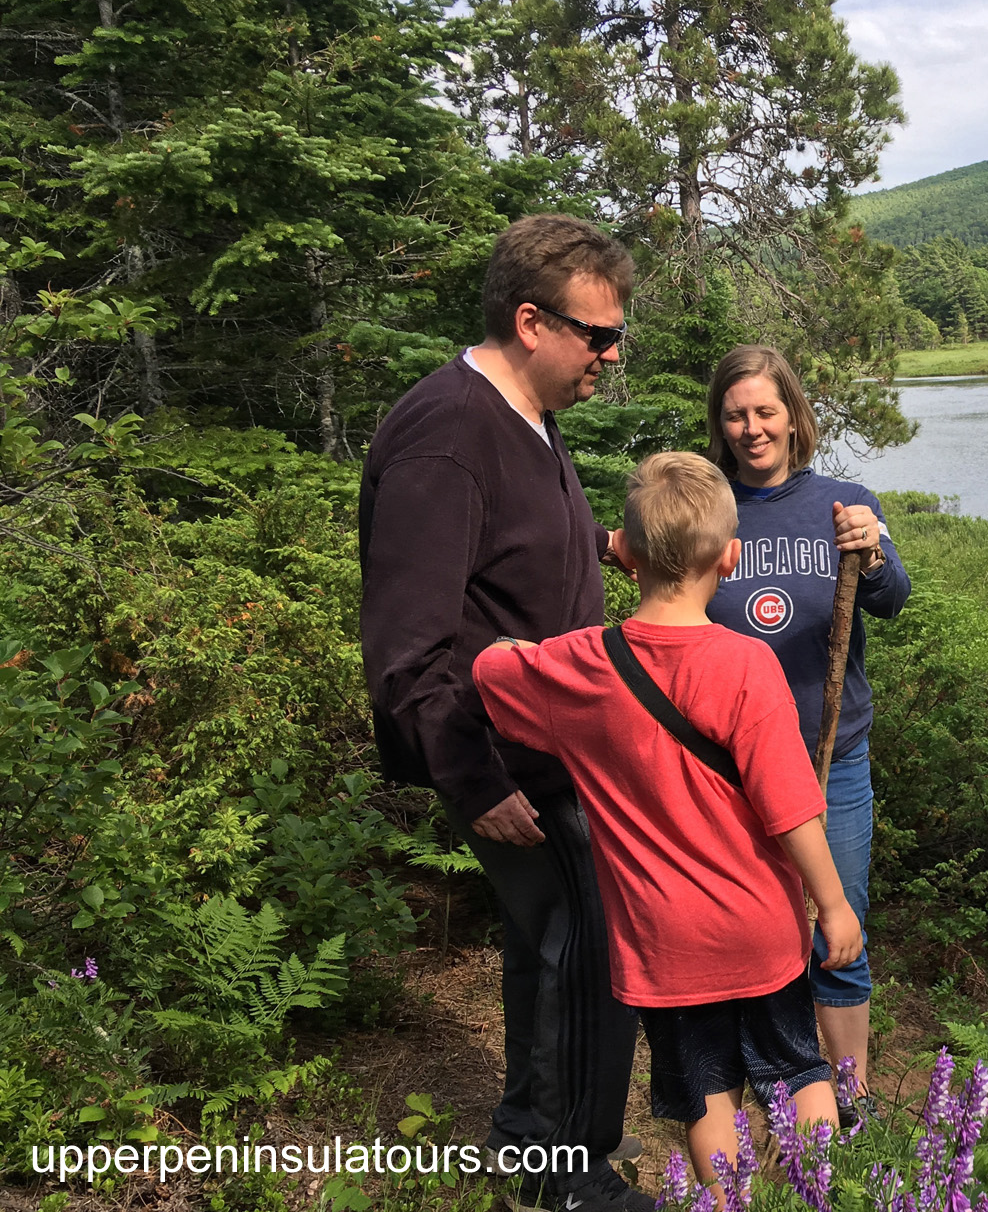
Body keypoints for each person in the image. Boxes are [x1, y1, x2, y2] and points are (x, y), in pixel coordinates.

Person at [358, 214, 650, 1212]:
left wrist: (615, 546)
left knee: (544, 950)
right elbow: (411, 636)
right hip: (515, 760)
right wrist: (473, 776)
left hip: (555, 748)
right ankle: (574, 1178)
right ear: (531, 320)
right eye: (597, 337)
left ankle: (532, 1143)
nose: (610, 358)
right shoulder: (449, 429)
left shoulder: (522, 417)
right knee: (591, 948)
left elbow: (518, 551)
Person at [472, 452, 862, 1183]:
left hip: (665, 942)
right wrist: (835, 906)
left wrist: (511, 648)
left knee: (705, 1090)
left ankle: (726, 1201)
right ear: (731, 558)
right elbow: (791, 808)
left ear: (623, 553)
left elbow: (490, 671)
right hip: (758, 925)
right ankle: (811, 1195)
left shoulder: (580, 666)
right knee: (798, 1070)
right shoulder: (747, 666)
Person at [704, 345, 910, 1121]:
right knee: (746, 932)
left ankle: (848, 1102)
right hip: (726, 767)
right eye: (735, 414)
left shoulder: (842, 503)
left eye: (765, 411)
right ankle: (769, 1087)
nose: (751, 428)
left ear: (793, 416)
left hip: (831, 762)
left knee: (837, 931)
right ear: (719, 424)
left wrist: (875, 552)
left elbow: (891, 600)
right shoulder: (707, 504)